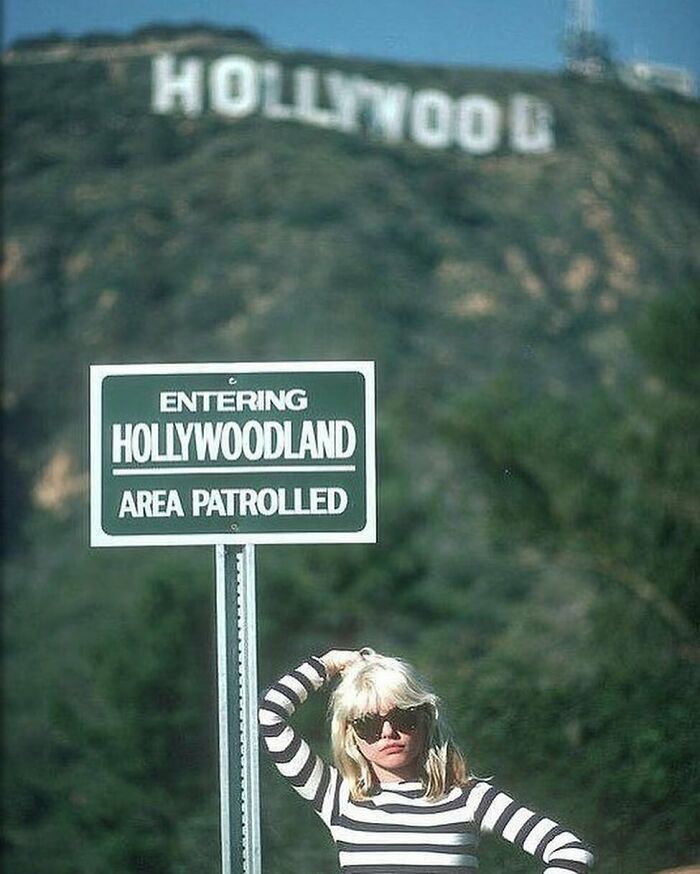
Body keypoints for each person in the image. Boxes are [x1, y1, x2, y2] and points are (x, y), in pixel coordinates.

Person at [259, 647, 594, 873]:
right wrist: (330, 663)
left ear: (425, 719)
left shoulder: (469, 797)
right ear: (350, 735)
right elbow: (269, 716)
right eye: (369, 724)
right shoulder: (337, 796)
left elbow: (571, 851)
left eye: (403, 717)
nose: (388, 732)